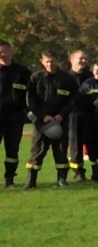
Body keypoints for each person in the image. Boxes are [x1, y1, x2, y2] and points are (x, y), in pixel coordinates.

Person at [25, 49, 77, 189]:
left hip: (61, 120)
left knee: (60, 151)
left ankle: (62, 179)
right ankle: (31, 180)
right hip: (42, 121)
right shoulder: (35, 78)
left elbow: (73, 100)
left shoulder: (67, 79)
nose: (50, 64)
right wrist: (42, 116)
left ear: (57, 61)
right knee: (38, 150)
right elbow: (30, 100)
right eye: (47, 61)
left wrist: (61, 115)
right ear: (42, 62)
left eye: (52, 61)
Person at [0, 40, 31, 187]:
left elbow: (32, 94)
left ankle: (10, 179)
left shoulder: (22, 72)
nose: (2, 54)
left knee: (12, 150)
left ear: (11, 51)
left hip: (15, 117)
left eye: (4, 51)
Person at [65, 47, 92, 181]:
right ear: (71, 60)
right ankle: (78, 172)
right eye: (81, 58)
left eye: (85, 58)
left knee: (93, 142)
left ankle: (97, 172)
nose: (84, 61)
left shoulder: (91, 77)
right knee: (75, 144)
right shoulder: (65, 77)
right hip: (73, 114)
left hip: (91, 114)